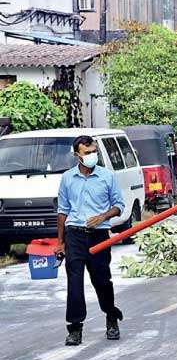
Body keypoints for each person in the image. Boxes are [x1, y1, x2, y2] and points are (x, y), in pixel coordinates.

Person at [55, 135, 125, 346]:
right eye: (87, 153)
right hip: (74, 235)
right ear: (77, 155)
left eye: (94, 151)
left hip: (98, 237)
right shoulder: (68, 178)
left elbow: (118, 205)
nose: (92, 155)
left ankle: (111, 318)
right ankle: (75, 328)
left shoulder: (107, 177)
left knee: (102, 281)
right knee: (74, 283)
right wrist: (60, 242)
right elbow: (62, 211)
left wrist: (102, 217)